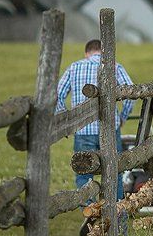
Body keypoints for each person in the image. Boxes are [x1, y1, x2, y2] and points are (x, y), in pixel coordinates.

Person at [55, 39, 134, 199]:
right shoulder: (115, 67)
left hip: (83, 130)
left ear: (87, 53)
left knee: (84, 173)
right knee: (114, 172)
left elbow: (57, 95)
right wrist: (122, 117)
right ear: (104, 52)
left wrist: (67, 121)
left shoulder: (74, 67)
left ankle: (90, 215)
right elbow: (131, 95)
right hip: (111, 129)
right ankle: (117, 213)